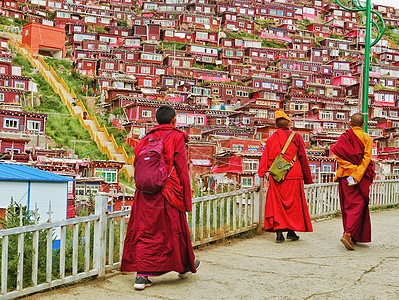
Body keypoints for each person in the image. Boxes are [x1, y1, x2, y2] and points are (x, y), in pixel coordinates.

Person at [121, 105, 200, 290]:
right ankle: (183, 266)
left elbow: (138, 163)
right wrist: (186, 200)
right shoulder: (176, 136)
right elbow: (182, 170)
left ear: (156, 120)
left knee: (145, 231)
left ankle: (141, 276)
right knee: (174, 230)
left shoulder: (146, 138)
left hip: (145, 194)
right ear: (174, 120)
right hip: (168, 191)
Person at [258, 110, 313, 243]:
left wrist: (262, 172)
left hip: (277, 176)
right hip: (294, 175)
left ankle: (279, 234)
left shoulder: (271, 139)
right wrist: (308, 178)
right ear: (288, 123)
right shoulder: (296, 136)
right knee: (294, 206)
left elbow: (264, 158)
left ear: (276, 125)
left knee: (278, 205)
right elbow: (303, 158)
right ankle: (291, 231)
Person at [331, 113, 375, 250]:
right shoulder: (367, 139)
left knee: (348, 205)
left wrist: (351, 170)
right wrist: (357, 173)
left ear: (350, 124)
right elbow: (366, 159)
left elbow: (338, 156)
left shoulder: (344, 137)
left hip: (346, 177)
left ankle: (352, 234)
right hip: (359, 178)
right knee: (359, 204)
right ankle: (348, 233)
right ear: (363, 124)